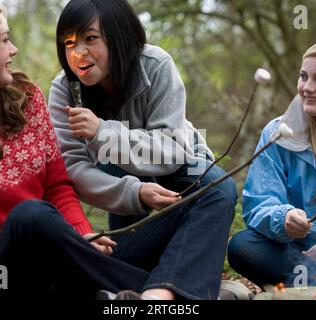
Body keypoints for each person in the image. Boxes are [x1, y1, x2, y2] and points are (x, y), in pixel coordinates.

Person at [0, 0, 159, 300]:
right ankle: (174, 297)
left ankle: (138, 298)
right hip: (2, 278)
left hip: (57, 264)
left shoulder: (27, 99)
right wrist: (23, 238)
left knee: (201, 201)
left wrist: (80, 233)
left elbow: (57, 186)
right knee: (29, 216)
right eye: (3, 41)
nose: (13, 49)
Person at [48, 0, 237, 300]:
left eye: (90, 38)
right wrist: (135, 192)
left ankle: (156, 299)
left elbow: (174, 148)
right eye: (69, 43)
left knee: (218, 188)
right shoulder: (63, 90)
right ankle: (182, 288)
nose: (77, 52)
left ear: (119, 34)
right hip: (127, 201)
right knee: (111, 164)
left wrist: (103, 132)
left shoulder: (156, 65)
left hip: (180, 172)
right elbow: (71, 168)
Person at [228, 39, 316, 287]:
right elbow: (258, 203)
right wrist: (284, 218)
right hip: (296, 253)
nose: (307, 87)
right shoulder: (278, 133)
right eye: (304, 77)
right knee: (243, 246)